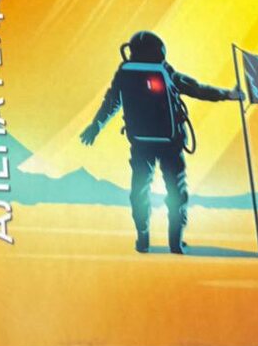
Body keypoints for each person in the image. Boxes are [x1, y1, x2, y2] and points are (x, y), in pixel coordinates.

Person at [79, 30, 242, 254]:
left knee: (140, 190)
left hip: (141, 142)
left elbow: (112, 102)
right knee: (176, 190)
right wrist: (229, 94)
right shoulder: (165, 71)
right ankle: (176, 242)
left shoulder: (125, 73)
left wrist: (96, 125)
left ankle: (143, 237)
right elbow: (196, 89)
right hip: (170, 142)